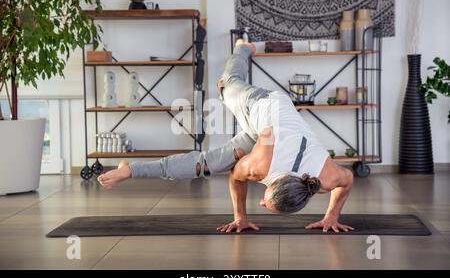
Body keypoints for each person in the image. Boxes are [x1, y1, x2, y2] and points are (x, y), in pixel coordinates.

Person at [98, 39, 354, 234]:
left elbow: (348, 179)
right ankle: (243, 47)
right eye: (266, 202)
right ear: (277, 181)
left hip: (268, 134)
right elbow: (236, 175)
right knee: (226, 84)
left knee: (203, 166)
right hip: (262, 105)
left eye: (264, 206)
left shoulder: (326, 178)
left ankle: (130, 170)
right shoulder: (260, 165)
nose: (262, 205)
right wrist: (240, 214)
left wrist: (331, 216)